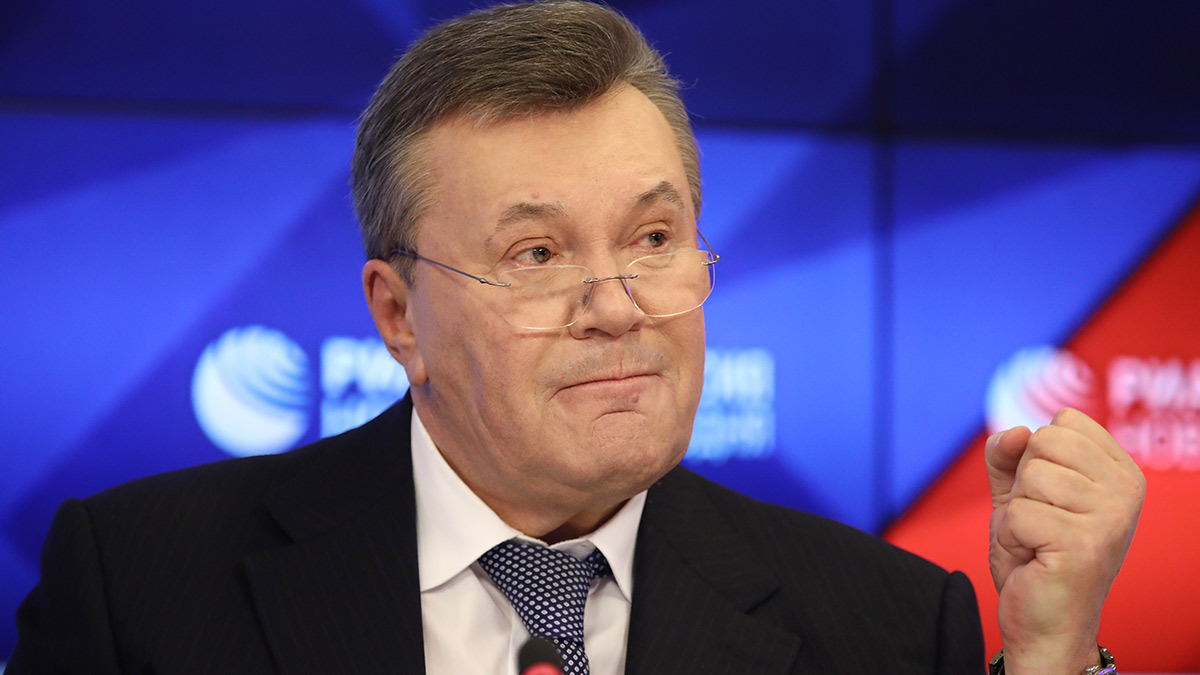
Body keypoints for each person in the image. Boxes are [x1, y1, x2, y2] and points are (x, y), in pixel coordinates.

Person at [7, 1, 1144, 673]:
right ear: (398, 316)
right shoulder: (140, 588)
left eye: (653, 238)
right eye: (537, 254)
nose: (617, 306)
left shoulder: (889, 626)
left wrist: (1049, 659)